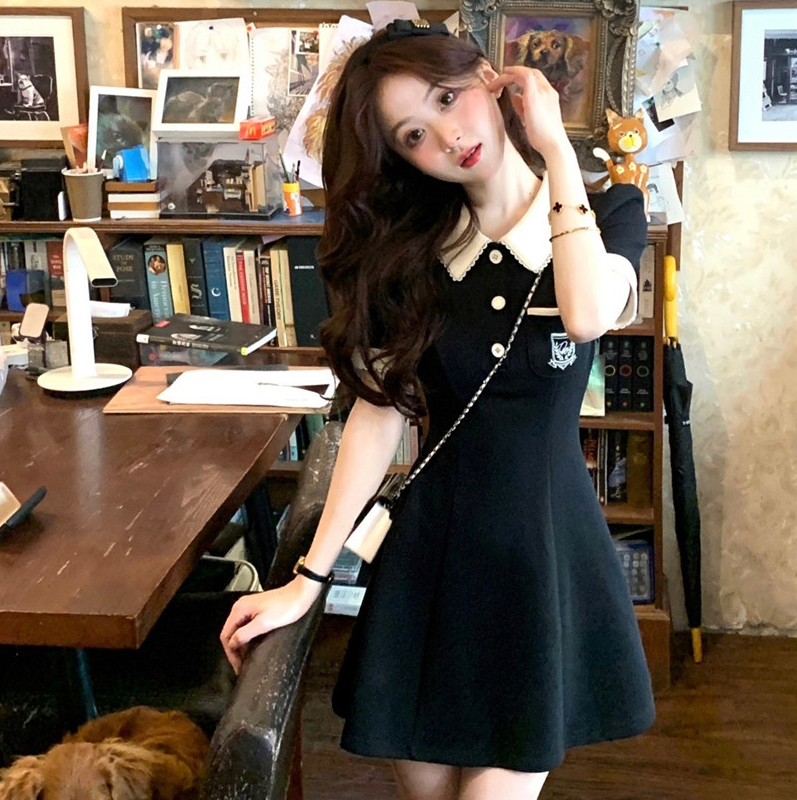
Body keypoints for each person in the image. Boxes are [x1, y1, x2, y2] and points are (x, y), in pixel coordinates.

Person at [221, 20, 655, 800]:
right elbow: (377, 416)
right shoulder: (414, 251)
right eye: (415, 134)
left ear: (490, 78)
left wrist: (556, 148)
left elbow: (587, 313)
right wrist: (308, 579)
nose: (450, 138)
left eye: (449, 98)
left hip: (540, 562)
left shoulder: (607, 214)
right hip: (427, 567)